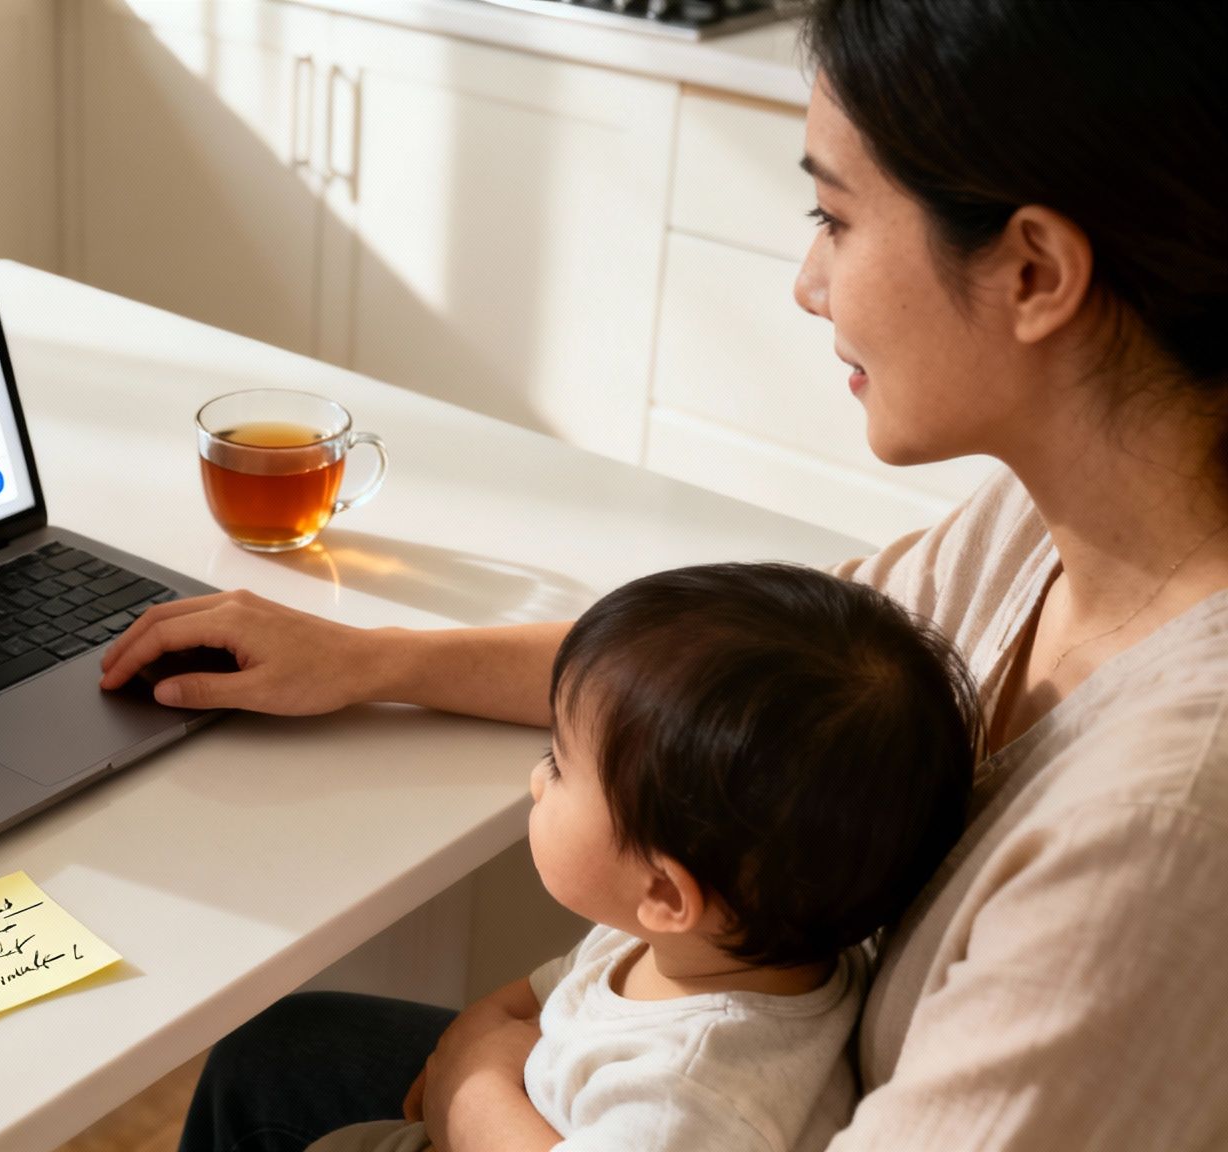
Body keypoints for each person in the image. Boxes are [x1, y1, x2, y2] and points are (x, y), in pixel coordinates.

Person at [99, 1, 1228, 1148]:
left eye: (832, 218)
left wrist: (478, 1094)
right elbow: (720, 680)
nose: (806, 282)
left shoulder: (1162, 832)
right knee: (276, 1055)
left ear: (1032, 271)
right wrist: (370, 659)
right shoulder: (1038, 526)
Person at [306, 564, 976, 1152]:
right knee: (286, 1042)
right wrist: (479, 1032)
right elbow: (553, 986)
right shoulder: (725, 941)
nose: (537, 780)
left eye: (559, 764)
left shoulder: (688, 1103)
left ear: (664, 890)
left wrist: (472, 1079)